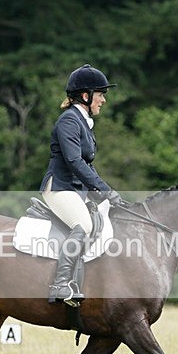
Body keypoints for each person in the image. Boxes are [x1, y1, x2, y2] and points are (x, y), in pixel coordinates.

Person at [40, 64, 125, 305]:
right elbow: (75, 162)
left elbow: (87, 165)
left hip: (76, 189)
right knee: (84, 225)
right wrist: (105, 189)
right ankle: (60, 284)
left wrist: (104, 195)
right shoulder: (69, 121)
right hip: (60, 188)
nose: (103, 101)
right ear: (86, 96)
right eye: (101, 95)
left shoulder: (83, 122)